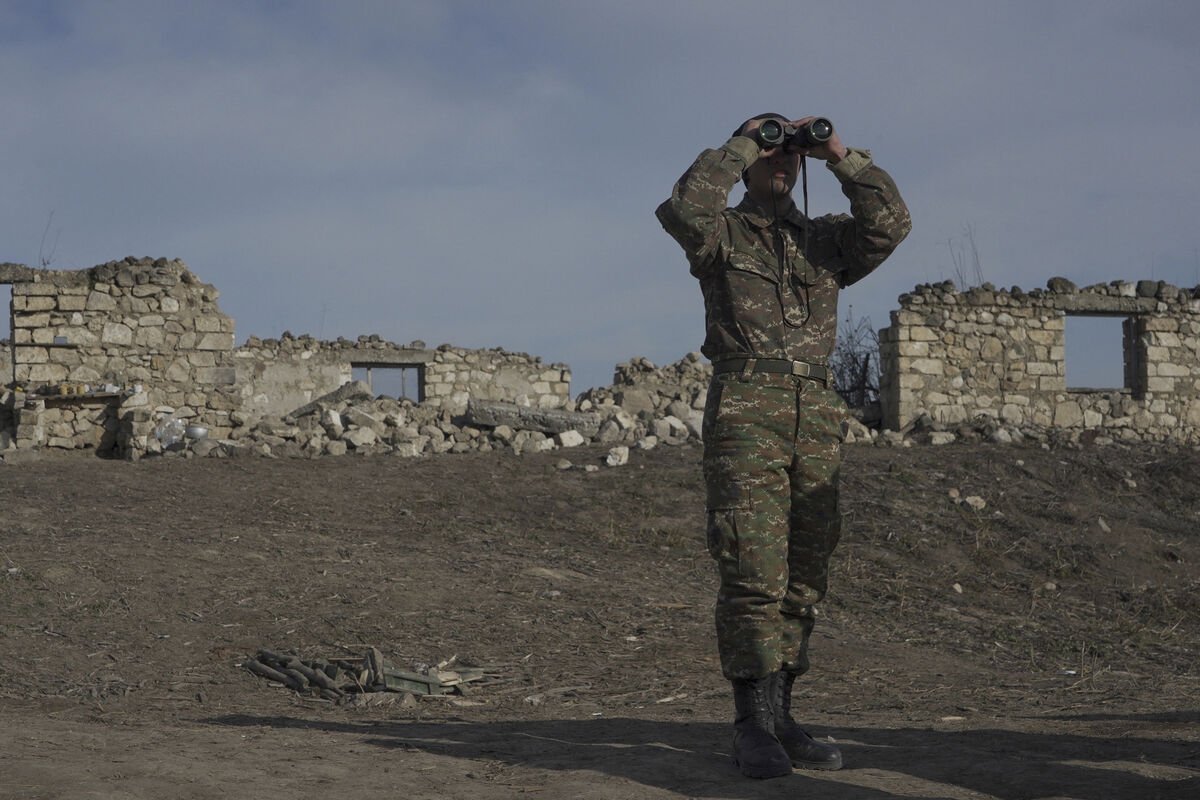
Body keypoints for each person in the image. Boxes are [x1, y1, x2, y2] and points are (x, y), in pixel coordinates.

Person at [655, 113, 911, 779]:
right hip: (746, 412)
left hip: (817, 418)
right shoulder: (721, 233)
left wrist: (836, 154)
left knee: (806, 573)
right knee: (752, 568)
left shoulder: (824, 242)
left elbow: (890, 225)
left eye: (786, 153)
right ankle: (752, 724)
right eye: (771, 151)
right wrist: (745, 139)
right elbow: (684, 209)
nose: (780, 160)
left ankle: (783, 713)